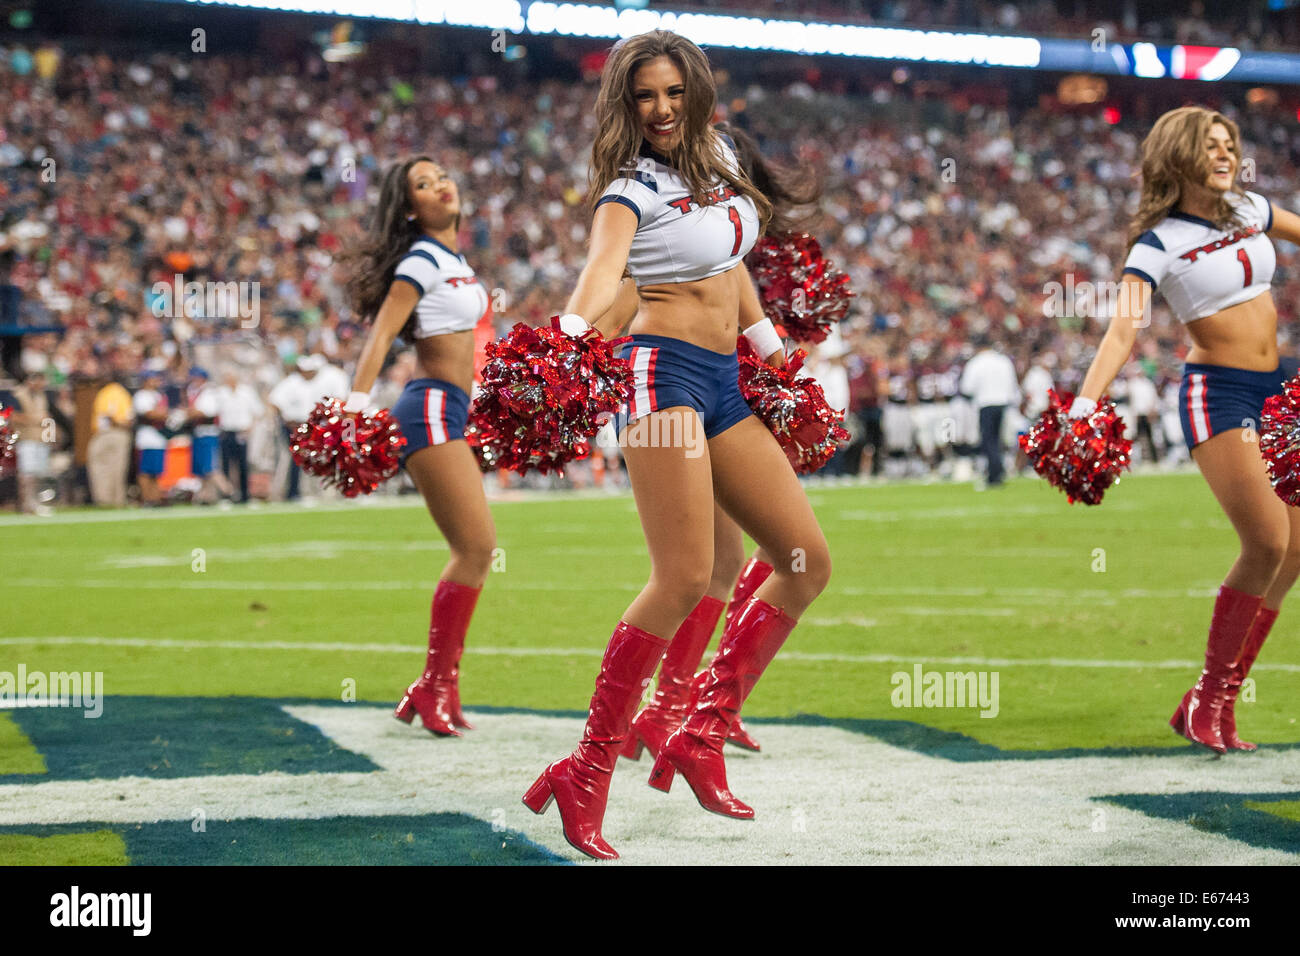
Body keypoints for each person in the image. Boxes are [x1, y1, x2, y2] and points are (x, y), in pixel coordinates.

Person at [523, 31, 831, 860]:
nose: (659, 110)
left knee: (803, 560)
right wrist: (565, 340)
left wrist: (776, 356)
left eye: (671, 92)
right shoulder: (629, 188)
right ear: (626, 106)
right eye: (643, 97)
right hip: (658, 376)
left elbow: (730, 264)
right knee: (686, 575)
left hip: (726, 377)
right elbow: (602, 271)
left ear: (696, 91)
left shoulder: (721, 156)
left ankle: (701, 729)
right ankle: (584, 771)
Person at [1071, 106, 1300, 753]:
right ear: (1179, 156)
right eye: (1212, 146)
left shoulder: (1251, 209)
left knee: (1296, 548)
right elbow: (1125, 327)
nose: (1227, 154)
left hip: (1282, 386)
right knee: (1266, 540)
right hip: (1220, 394)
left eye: (1231, 144)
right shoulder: (1158, 243)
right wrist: (1086, 406)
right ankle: (1208, 700)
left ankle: (1212, 701)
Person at [342, 155, 495, 738]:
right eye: (424, 185)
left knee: (476, 549)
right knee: (476, 546)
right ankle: (433, 685)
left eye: (443, 176)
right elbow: (383, 331)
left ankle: (437, 688)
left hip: (453, 407)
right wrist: (355, 408)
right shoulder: (422, 258)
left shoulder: (454, 259)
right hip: (426, 407)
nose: (441, 187)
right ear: (410, 208)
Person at [960, 334, 1020, 487]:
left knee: (989, 440)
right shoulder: (1003, 361)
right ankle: (997, 471)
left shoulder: (976, 363)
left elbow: (966, 388)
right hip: (1004, 403)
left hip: (985, 403)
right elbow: (1012, 383)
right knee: (998, 439)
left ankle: (995, 475)